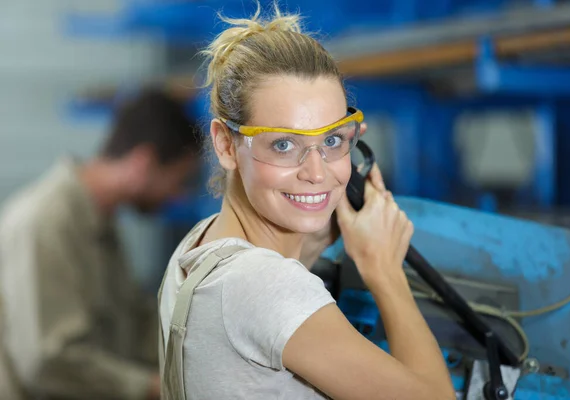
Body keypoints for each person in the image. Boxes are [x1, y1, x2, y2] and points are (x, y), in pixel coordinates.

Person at [158, 5, 455, 400]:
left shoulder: (197, 248)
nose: (317, 172)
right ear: (226, 144)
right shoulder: (269, 288)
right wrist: (384, 271)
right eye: (284, 145)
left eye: (331, 141)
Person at [0, 88, 202, 400]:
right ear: (142, 162)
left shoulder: (100, 223)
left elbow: (133, 327)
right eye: (176, 180)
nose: (177, 196)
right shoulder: (45, 224)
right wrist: (154, 388)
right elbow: (48, 362)